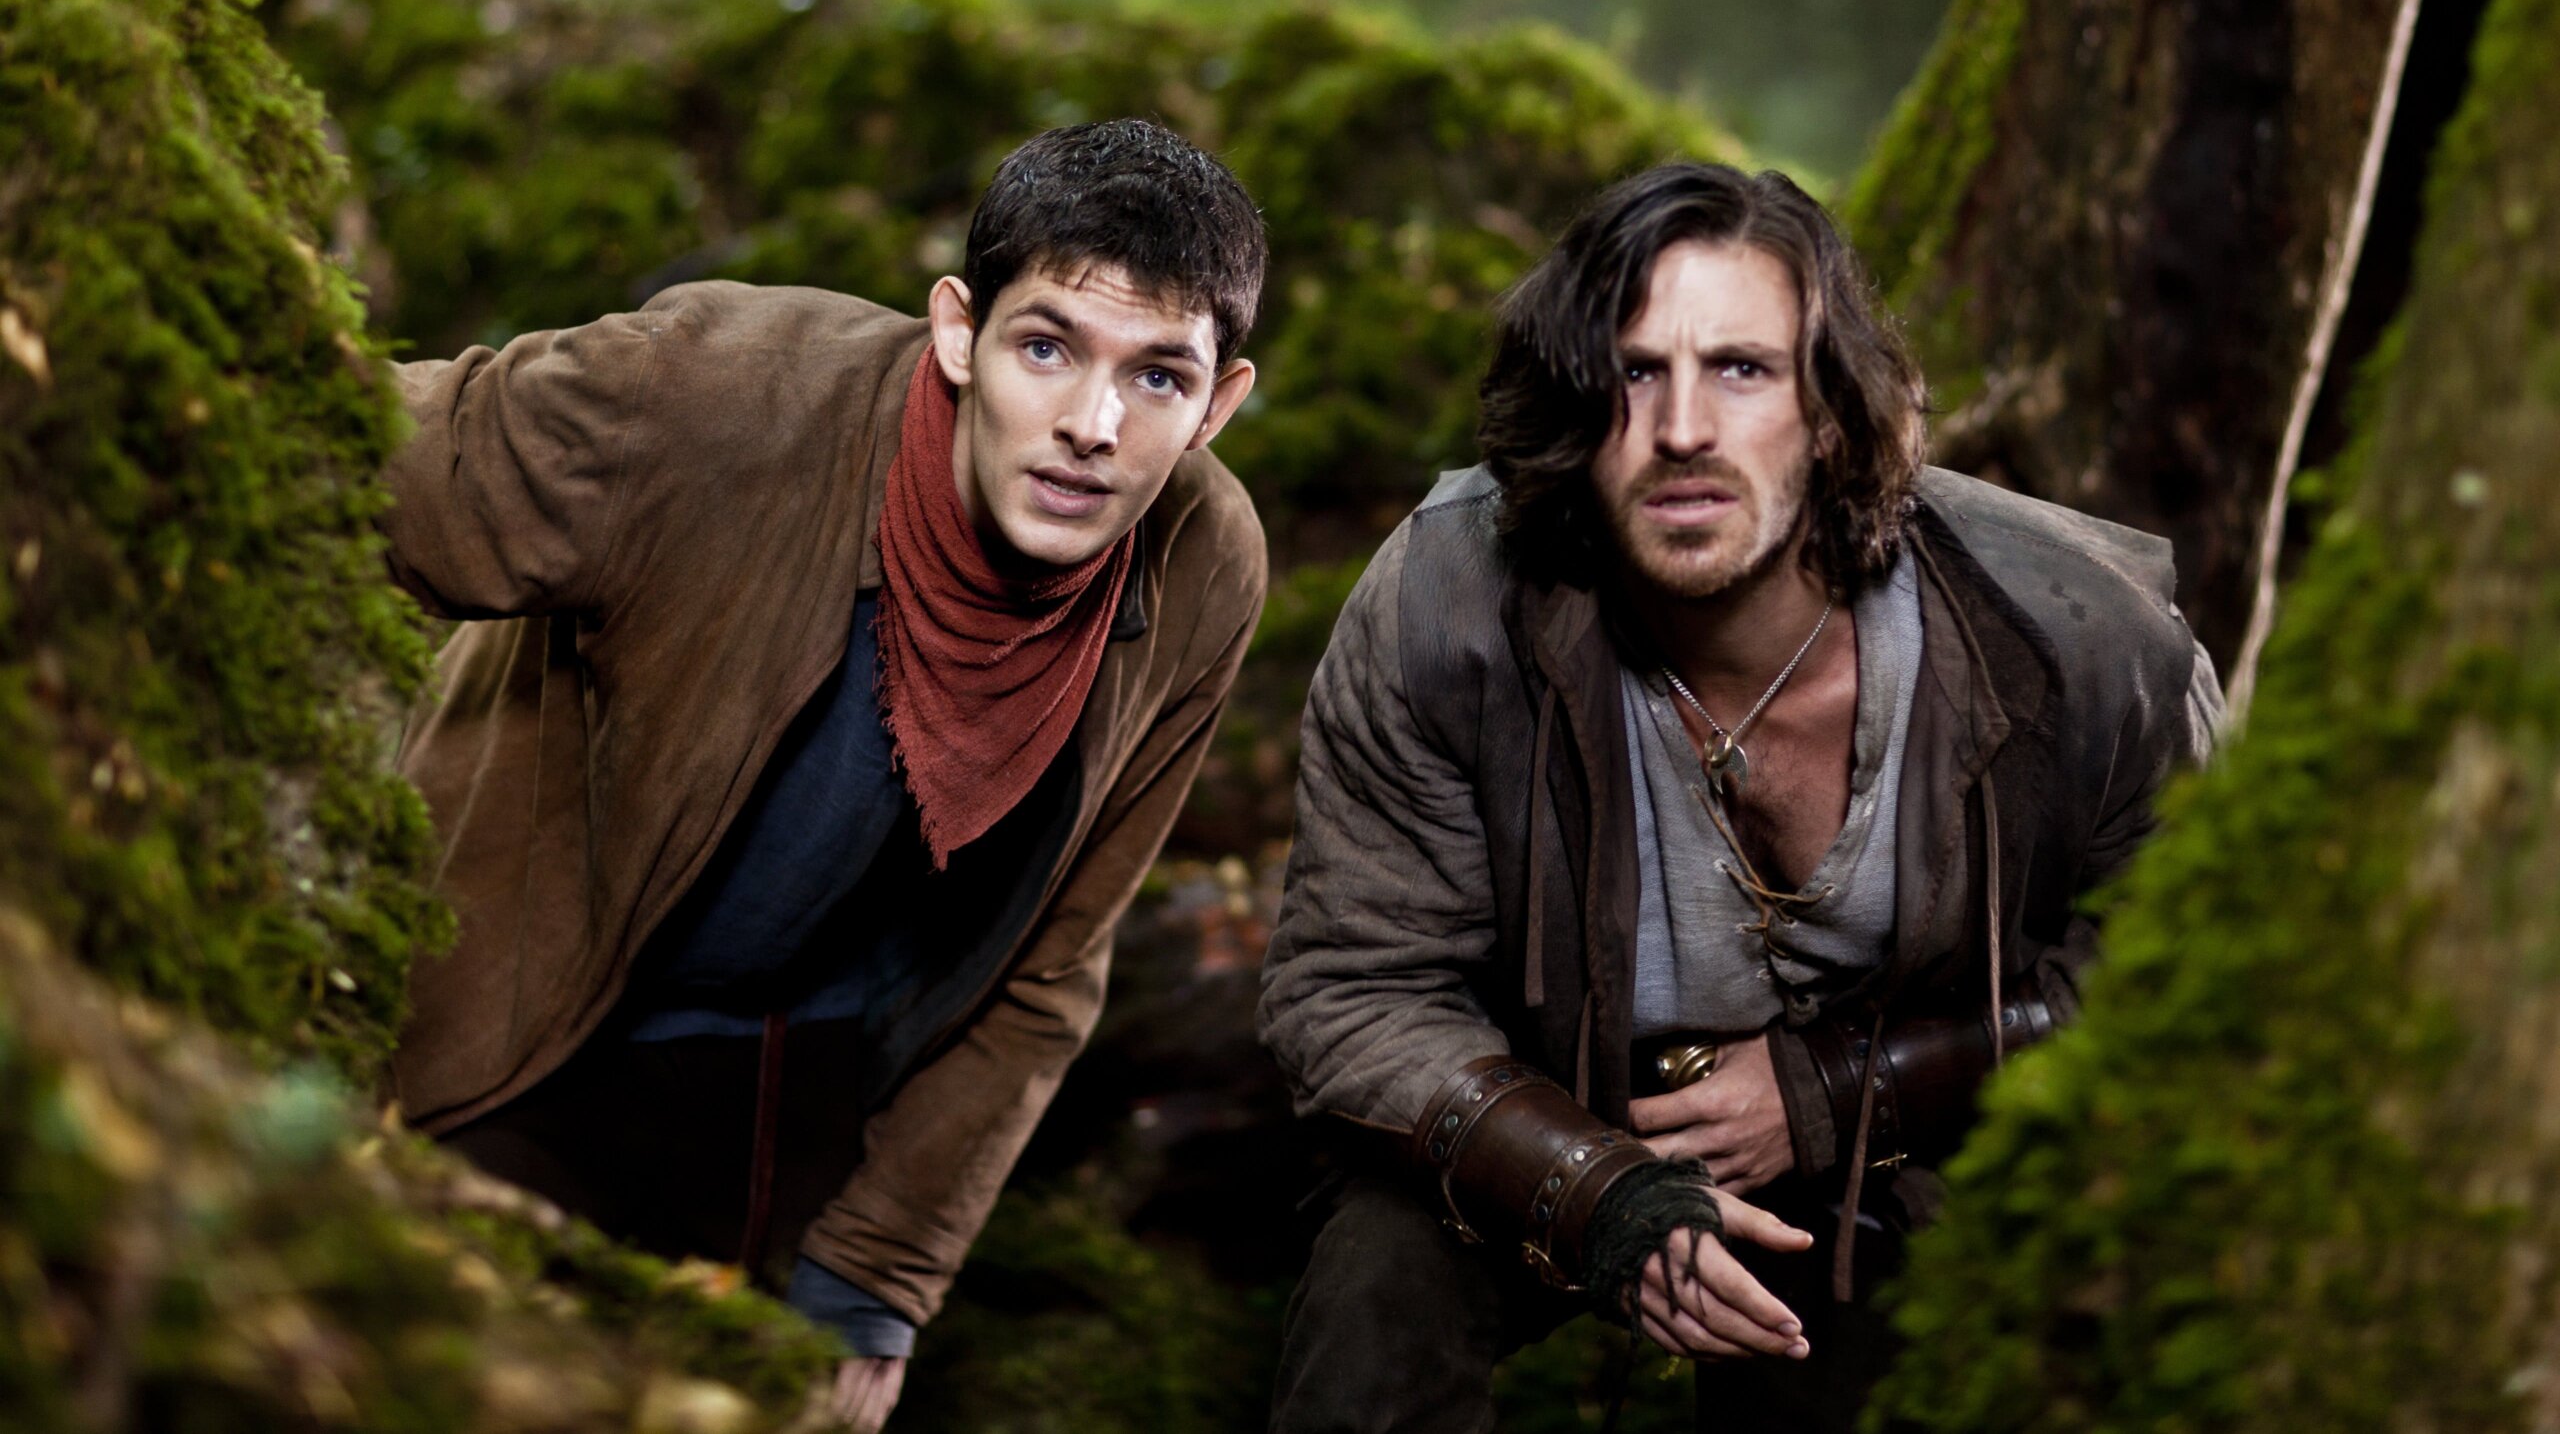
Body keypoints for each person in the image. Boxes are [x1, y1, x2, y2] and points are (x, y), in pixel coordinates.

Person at [1257, 161, 2221, 1432]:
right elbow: (1352, 989)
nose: (1681, 429)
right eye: (1633, 372)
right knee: (1374, 1301)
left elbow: (2191, 962)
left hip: (1907, 1144)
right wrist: (1594, 1191)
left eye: (1741, 369)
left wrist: (1840, 1091)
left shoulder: (2069, 637)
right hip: (1545, 1111)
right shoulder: (1448, 609)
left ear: (1827, 413)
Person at [378, 119, 1268, 1432]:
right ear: (958, 331)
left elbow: (1051, 961)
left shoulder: (1203, 566)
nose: (1092, 425)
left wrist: (878, 1269)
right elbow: (360, 445)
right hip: (517, 1011)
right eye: (1046, 347)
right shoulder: (717, 393)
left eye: (1156, 377)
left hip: (807, 1080)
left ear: (1218, 404)